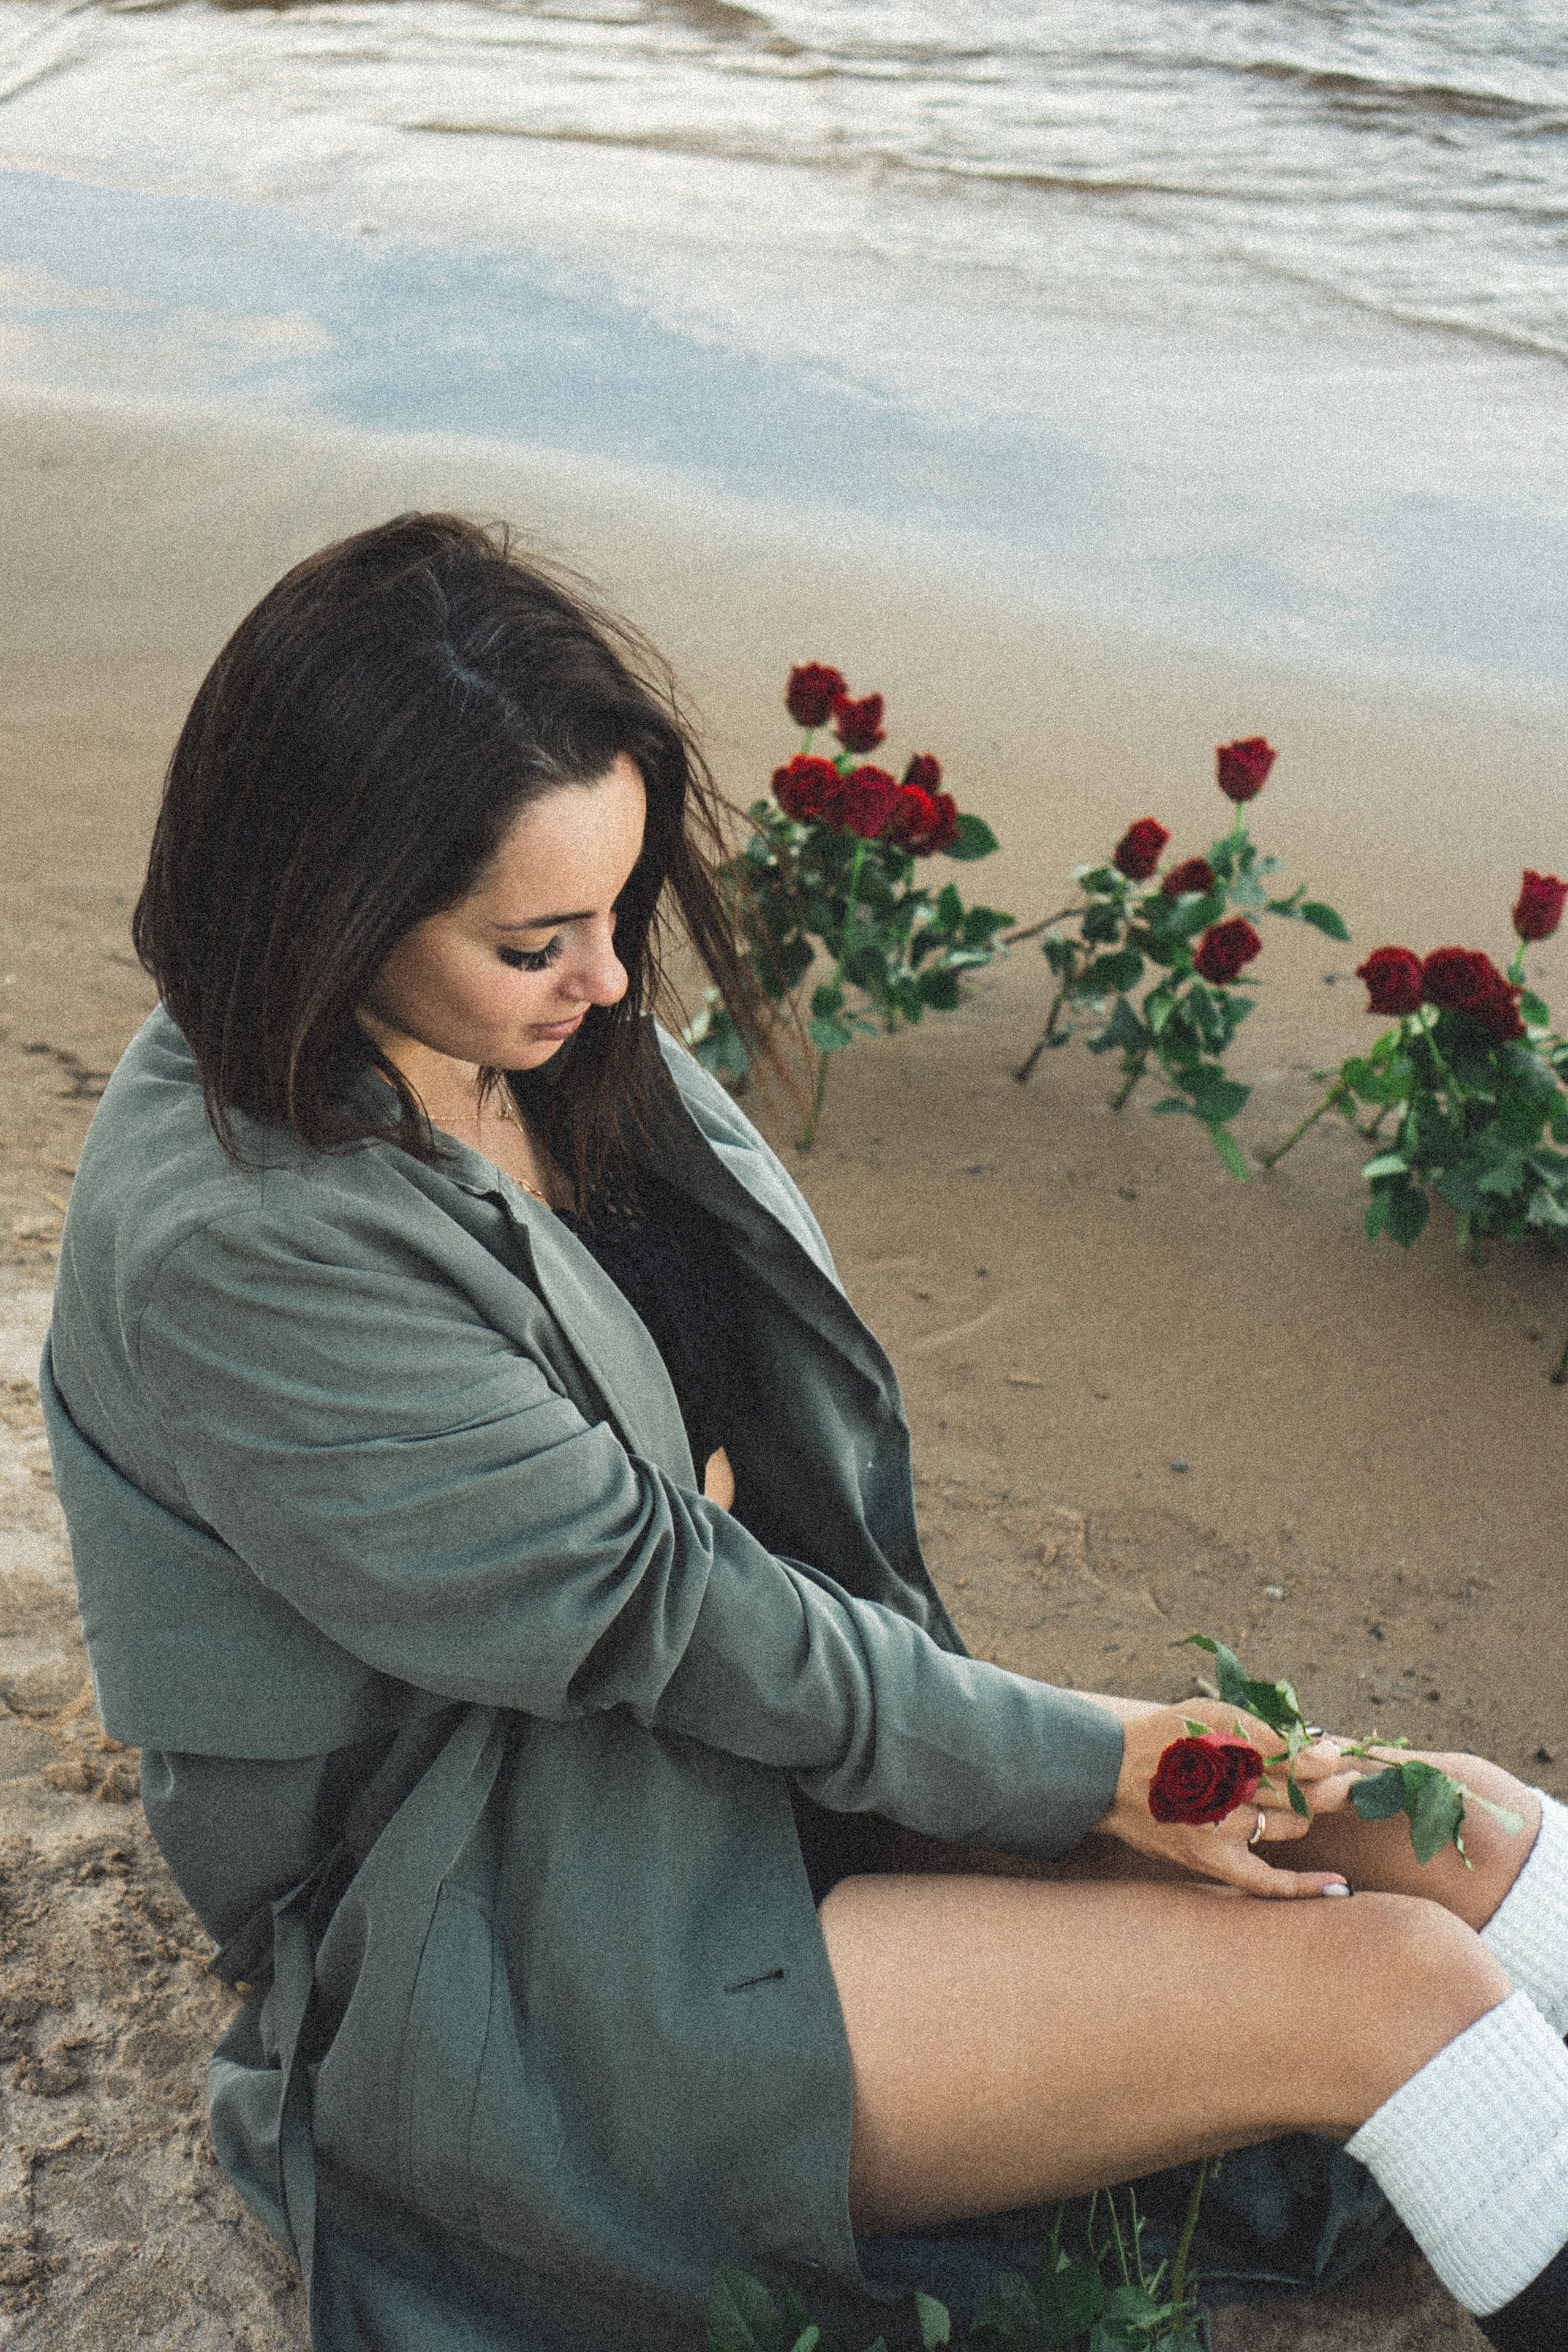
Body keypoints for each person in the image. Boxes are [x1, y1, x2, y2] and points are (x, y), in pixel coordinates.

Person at [42, 514, 1568, 2352]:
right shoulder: (252, 1244)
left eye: (618, 910)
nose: (614, 981)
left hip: (722, 1755)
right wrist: (1093, 1763)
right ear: (328, 903)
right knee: (1391, 1984)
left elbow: (694, 1573)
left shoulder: (504, 1032)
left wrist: (774, 1599)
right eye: (540, 936)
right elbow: (669, 1611)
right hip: (518, 1937)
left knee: (1458, 1831)